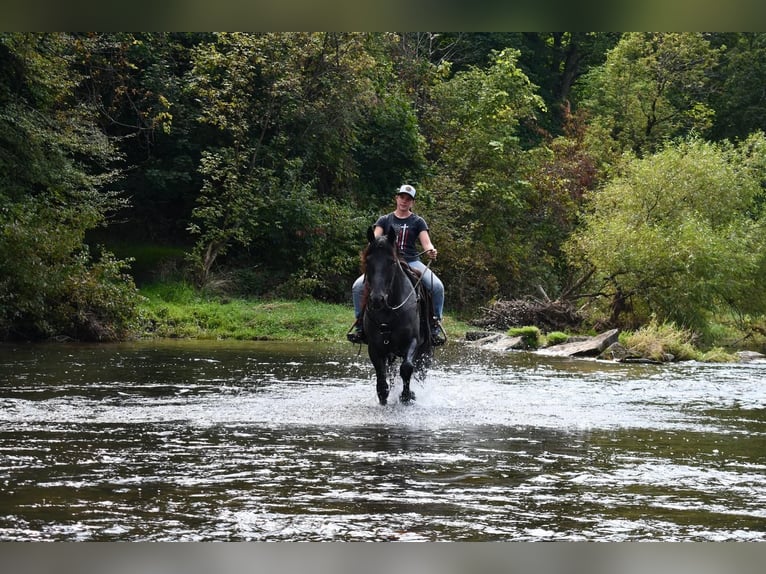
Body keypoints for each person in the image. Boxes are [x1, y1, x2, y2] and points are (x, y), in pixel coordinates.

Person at [348, 184, 446, 345]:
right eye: (402, 197)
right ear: (397, 198)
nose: (404, 201)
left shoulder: (418, 221)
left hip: (412, 261)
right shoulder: (384, 220)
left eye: (408, 199)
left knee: (437, 287)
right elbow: (375, 238)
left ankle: (434, 325)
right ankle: (360, 324)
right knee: (357, 287)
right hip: (387, 263)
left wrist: (431, 251)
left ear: (412, 202)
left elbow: (426, 243)